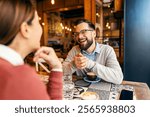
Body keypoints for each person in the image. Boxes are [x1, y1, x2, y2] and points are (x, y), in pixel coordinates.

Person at [0, 0, 62, 99]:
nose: (41, 28)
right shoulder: (20, 78)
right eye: (38, 22)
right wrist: (57, 67)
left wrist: (56, 67)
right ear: (25, 29)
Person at [63, 19, 123, 84]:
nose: (79, 37)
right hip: (82, 91)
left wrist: (91, 65)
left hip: (104, 90)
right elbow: (61, 72)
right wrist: (73, 64)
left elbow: (118, 78)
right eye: (77, 34)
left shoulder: (107, 50)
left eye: (83, 32)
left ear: (94, 33)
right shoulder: (74, 50)